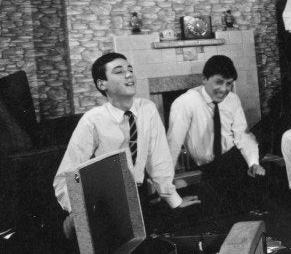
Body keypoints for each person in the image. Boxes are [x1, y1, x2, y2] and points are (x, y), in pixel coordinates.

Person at [53, 52, 200, 239]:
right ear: (102, 84)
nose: (129, 74)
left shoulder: (148, 109)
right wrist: (78, 212)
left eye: (130, 69)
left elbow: (159, 160)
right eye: (119, 71)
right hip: (106, 203)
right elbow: (65, 174)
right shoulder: (92, 120)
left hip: (139, 197)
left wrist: (174, 200)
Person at [167, 55, 265, 215]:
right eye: (219, 82)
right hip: (209, 168)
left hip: (234, 158)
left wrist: (253, 162)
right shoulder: (185, 103)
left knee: (252, 208)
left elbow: (242, 135)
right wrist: (170, 195)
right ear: (204, 79)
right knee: (216, 213)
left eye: (229, 84)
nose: (224, 89)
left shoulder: (233, 99)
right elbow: (173, 146)